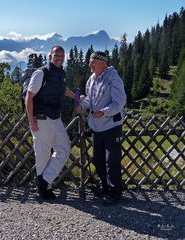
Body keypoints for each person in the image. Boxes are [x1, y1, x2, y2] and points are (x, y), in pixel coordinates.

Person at [76, 51, 127, 204]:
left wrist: (104, 112)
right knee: (98, 160)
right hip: (96, 127)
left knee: (111, 161)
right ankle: (105, 187)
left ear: (103, 63)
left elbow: (120, 102)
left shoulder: (113, 78)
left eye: (93, 62)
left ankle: (115, 193)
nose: (90, 64)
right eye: (90, 61)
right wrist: (82, 105)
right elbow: (90, 100)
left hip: (112, 126)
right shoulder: (92, 79)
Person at [25, 46, 75, 200]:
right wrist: (31, 121)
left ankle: (43, 180)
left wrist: (77, 97)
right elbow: (29, 97)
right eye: (56, 54)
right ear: (49, 56)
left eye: (62, 54)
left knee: (64, 149)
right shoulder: (41, 73)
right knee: (43, 156)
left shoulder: (60, 73)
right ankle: (44, 189)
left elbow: (63, 89)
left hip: (56, 119)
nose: (59, 57)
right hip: (41, 120)